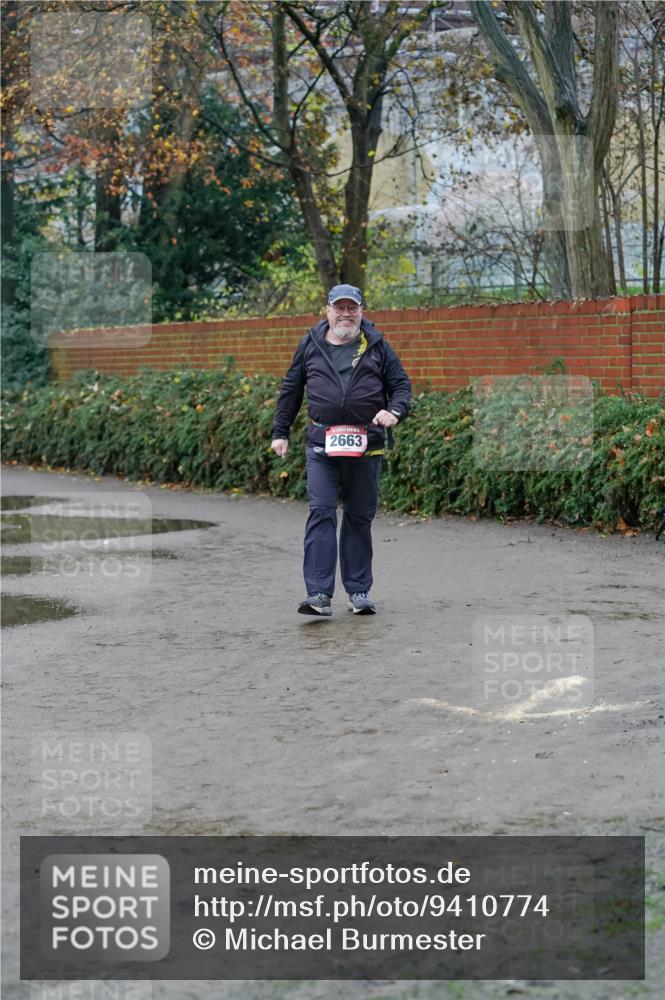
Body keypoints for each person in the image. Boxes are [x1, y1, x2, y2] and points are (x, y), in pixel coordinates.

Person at [271, 283, 412, 616]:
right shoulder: (310, 344)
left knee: (358, 518)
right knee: (321, 512)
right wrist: (280, 432)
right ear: (328, 310)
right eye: (340, 307)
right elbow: (291, 390)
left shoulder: (377, 346)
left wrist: (394, 412)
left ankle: (359, 592)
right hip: (322, 446)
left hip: (367, 446)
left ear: (361, 311)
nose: (346, 314)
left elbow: (401, 386)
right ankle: (319, 595)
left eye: (352, 308)